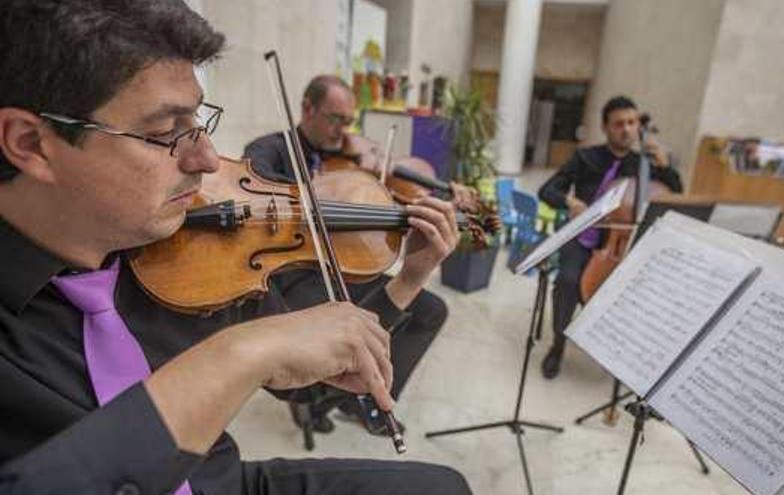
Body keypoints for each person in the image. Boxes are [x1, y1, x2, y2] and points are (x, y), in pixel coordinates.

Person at [0, 1, 471, 494]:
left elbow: (309, 389)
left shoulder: (195, 252)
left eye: (200, 122)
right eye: (165, 132)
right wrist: (238, 355)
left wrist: (408, 278)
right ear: (31, 143)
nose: (206, 159)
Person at [243, 76, 450, 436]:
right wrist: (328, 187)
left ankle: (364, 399)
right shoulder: (270, 149)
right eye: (335, 118)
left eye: (349, 121)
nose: (343, 131)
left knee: (431, 309)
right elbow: (257, 188)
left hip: (344, 263)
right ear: (307, 109)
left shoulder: (350, 157)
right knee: (351, 326)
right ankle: (318, 397)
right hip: (293, 272)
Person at [537, 96, 683, 379]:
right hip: (583, 236)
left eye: (632, 123)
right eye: (619, 124)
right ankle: (558, 344)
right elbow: (547, 190)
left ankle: (614, 344)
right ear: (605, 127)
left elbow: (675, 195)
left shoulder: (645, 163)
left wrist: (665, 168)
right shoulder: (585, 158)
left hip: (621, 244)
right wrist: (571, 203)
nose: (627, 129)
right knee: (567, 281)